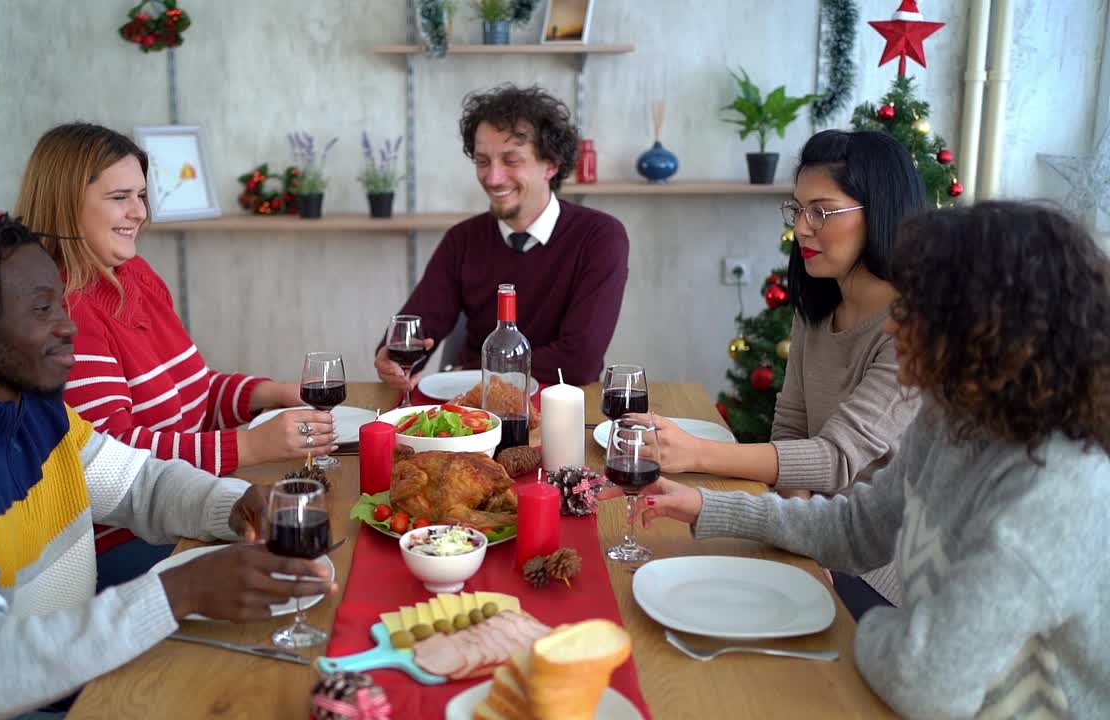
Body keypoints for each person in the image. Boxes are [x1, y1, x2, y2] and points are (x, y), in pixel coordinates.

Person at [0, 214, 335, 719]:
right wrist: (183, 590)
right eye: (42, 309)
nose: (68, 326)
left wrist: (233, 504)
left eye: (62, 305)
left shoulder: (33, 409)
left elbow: (140, 483)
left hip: (56, 684)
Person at [634, 202, 1110, 718]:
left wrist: (870, 622)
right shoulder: (950, 418)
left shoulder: (1055, 493)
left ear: (987, 333)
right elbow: (859, 526)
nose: (889, 328)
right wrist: (708, 507)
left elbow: (925, 682)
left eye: (913, 311)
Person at [16, 123, 335, 581]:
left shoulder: (135, 275)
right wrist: (250, 444)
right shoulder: (63, 313)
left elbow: (195, 391)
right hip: (120, 543)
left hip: (184, 509)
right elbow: (116, 461)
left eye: (141, 195)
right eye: (120, 197)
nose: (139, 212)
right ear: (67, 203)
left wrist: (276, 392)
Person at [629, 129, 925, 614]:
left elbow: (833, 458)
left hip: (885, 573)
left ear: (880, 212)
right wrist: (803, 535)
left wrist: (696, 452)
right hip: (820, 533)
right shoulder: (818, 307)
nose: (802, 228)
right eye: (797, 210)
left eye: (821, 212)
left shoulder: (913, 333)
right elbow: (791, 429)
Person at [374, 84, 629, 389]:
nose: (493, 178)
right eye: (483, 161)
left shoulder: (599, 237)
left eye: (511, 160)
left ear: (551, 165)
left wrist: (468, 372)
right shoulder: (462, 240)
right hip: (474, 411)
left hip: (558, 409)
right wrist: (389, 359)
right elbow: (412, 332)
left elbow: (579, 361)